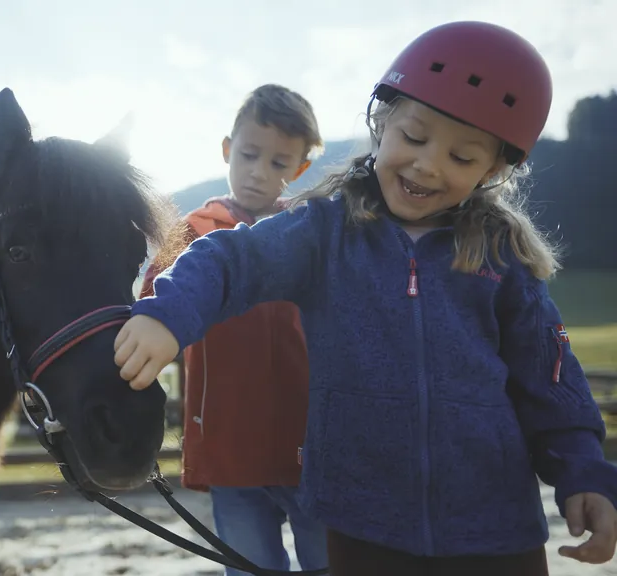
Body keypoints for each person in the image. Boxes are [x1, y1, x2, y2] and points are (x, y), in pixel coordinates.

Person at [115, 20, 617, 576]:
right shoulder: (325, 232)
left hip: (495, 529)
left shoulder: (502, 257)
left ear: (493, 170)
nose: (428, 164)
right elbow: (232, 259)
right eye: (415, 138)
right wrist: (169, 314)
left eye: (462, 157)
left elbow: (551, 374)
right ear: (382, 124)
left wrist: (584, 472)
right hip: (362, 525)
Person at [140, 84, 327, 575]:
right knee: (249, 566)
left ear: (299, 169)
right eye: (248, 154)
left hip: (310, 441)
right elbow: (153, 299)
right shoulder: (192, 231)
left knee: (329, 561)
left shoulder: (310, 234)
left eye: (279, 162)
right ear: (227, 149)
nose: (259, 171)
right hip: (230, 440)